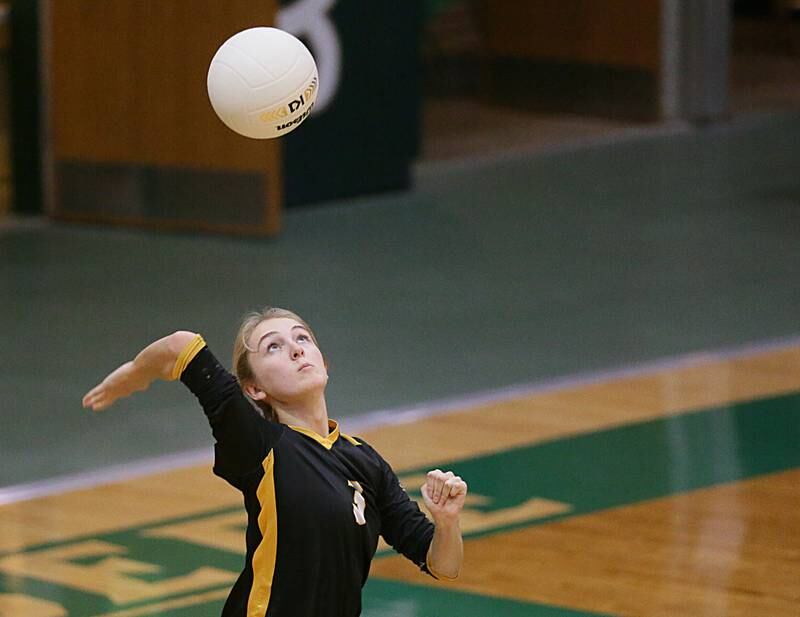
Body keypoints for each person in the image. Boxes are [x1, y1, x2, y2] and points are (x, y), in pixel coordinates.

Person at [82, 306, 467, 617]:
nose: (296, 349)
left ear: (324, 362)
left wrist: (446, 523)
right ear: (254, 388)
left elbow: (442, 564)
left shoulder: (365, 460)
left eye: (302, 338)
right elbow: (181, 346)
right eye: (273, 347)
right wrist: (135, 375)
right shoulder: (258, 444)